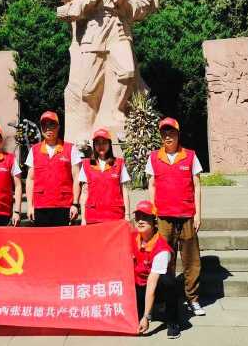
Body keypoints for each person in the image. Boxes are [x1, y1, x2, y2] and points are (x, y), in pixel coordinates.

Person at [57, 0, 159, 143]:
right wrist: (88, 2)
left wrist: (124, 1)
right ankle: (86, 130)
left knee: (127, 71)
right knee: (88, 87)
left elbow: (145, 6)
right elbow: (66, 11)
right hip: (92, 32)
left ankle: (114, 113)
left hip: (118, 28)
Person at [147, 117, 206, 317]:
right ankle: (166, 300)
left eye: (171, 132)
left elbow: (197, 185)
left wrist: (198, 214)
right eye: (164, 132)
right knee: (165, 260)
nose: (168, 136)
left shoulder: (190, 156)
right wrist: (152, 213)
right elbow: (151, 185)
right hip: (164, 217)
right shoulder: (154, 157)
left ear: (178, 134)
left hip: (187, 215)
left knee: (191, 260)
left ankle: (193, 299)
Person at [25, 111, 83, 226]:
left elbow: (77, 177)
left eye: (52, 124)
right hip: (40, 206)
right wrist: (30, 206)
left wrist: (75, 204)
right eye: (44, 125)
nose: (48, 128)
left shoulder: (70, 149)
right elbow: (30, 179)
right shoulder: (34, 150)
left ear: (58, 127)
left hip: (64, 205)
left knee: (63, 237)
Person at [132, 200, 180, 339]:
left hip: (156, 287)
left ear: (154, 222)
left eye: (145, 217)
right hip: (137, 284)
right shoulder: (131, 237)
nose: (140, 221)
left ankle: (172, 321)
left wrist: (146, 317)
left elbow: (152, 283)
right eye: (138, 217)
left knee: (168, 281)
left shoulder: (161, 249)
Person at [77, 127, 130, 224]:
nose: (101, 146)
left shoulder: (119, 163)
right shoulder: (86, 164)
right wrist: (83, 219)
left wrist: (127, 215)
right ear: (94, 145)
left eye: (104, 142)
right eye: (97, 143)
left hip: (115, 216)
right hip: (93, 216)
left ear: (109, 144)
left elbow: (124, 190)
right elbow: (84, 192)